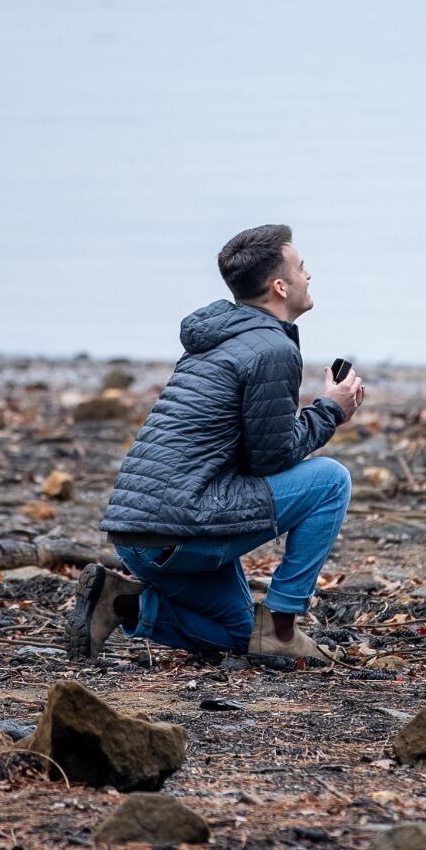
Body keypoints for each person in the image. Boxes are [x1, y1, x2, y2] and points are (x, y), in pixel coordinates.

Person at [70, 224, 366, 667]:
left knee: (240, 636)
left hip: (138, 538)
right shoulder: (272, 349)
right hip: (181, 532)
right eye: (302, 268)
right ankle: (283, 625)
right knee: (330, 481)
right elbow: (271, 458)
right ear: (280, 286)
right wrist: (331, 410)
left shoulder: (219, 339)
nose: (309, 276)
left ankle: (121, 603)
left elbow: (249, 450)